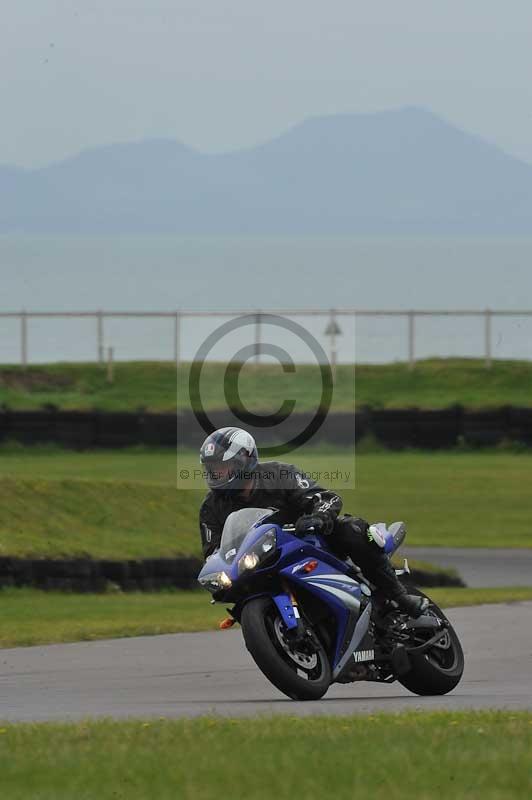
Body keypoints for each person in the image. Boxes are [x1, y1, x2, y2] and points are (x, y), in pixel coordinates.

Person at [198, 426, 428, 618]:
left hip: (308, 541)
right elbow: (214, 552)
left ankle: (398, 595)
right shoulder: (211, 508)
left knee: (351, 530)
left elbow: (325, 498)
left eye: (222, 468)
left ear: (244, 461)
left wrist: (317, 517)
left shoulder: (280, 474)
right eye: (213, 470)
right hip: (262, 562)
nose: (217, 474)